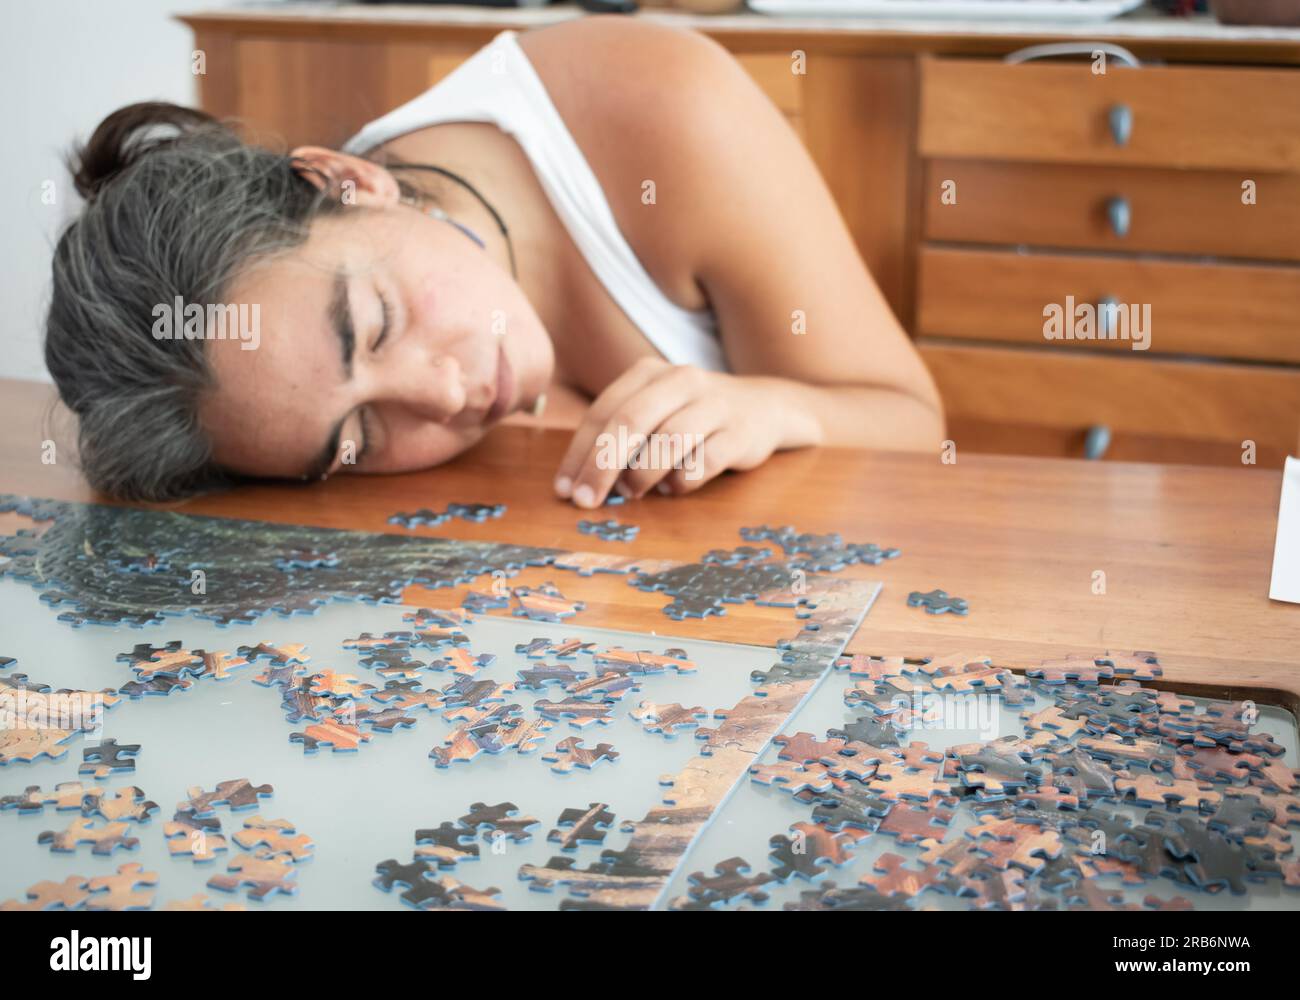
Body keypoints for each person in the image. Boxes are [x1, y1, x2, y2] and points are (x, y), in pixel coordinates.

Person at [45, 15, 942, 507]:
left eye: (376, 326)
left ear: (347, 178)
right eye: (353, 442)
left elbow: (915, 423)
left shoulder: (669, 108)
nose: (440, 400)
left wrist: (776, 406)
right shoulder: (296, 368)